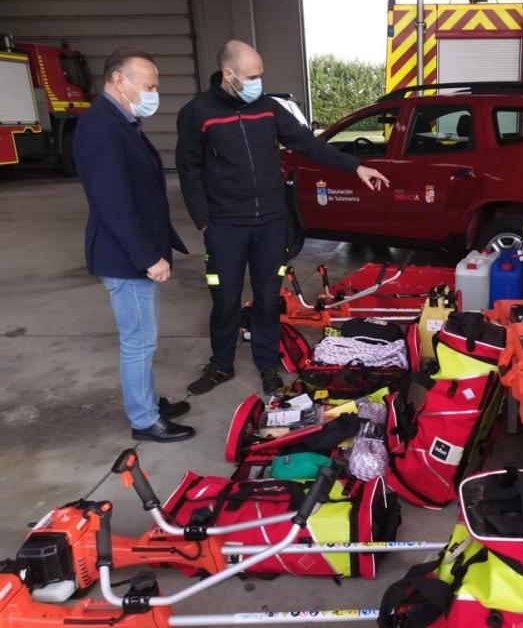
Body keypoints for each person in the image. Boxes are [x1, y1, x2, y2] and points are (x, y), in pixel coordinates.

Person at [177, 40, 389, 396]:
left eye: (260, 75)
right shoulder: (197, 112)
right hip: (225, 224)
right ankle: (221, 364)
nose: (259, 82)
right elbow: (189, 170)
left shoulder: (269, 108)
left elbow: (309, 143)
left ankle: (267, 362)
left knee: (267, 296)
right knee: (225, 298)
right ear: (229, 74)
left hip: (270, 223)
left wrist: (356, 167)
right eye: (252, 76)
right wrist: (203, 221)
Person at [75, 48, 195, 443]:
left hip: (132, 251)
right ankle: (145, 420)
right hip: (125, 256)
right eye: (149, 85)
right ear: (118, 80)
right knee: (139, 341)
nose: (154, 93)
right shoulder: (100, 126)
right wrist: (147, 256)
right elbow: (113, 201)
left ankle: (148, 402)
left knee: (144, 337)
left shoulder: (122, 121)